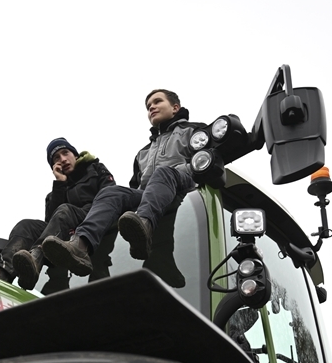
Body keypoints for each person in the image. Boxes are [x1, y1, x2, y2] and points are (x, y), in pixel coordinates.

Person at [42, 89, 211, 276]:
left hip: (182, 183)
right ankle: (81, 246)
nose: (151, 107)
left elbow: (206, 161)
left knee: (162, 172)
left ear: (175, 107)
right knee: (111, 193)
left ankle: (145, 226)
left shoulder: (195, 130)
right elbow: (135, 187)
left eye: (157, 102)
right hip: (149, 195)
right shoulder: (142, 153)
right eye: (148, 107)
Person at [0, 138, 115, 291]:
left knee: (64, 211)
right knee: (26, 226)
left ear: (75, 155)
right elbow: (50, 223)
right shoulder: (53, 194)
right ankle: (1, 275)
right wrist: (60, 184)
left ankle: (36, 259)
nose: (62, 159)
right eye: (56, 158)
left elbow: (110, 195)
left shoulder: (95, 169)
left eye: (65, 153)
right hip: (64, 232)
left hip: (93, 222)